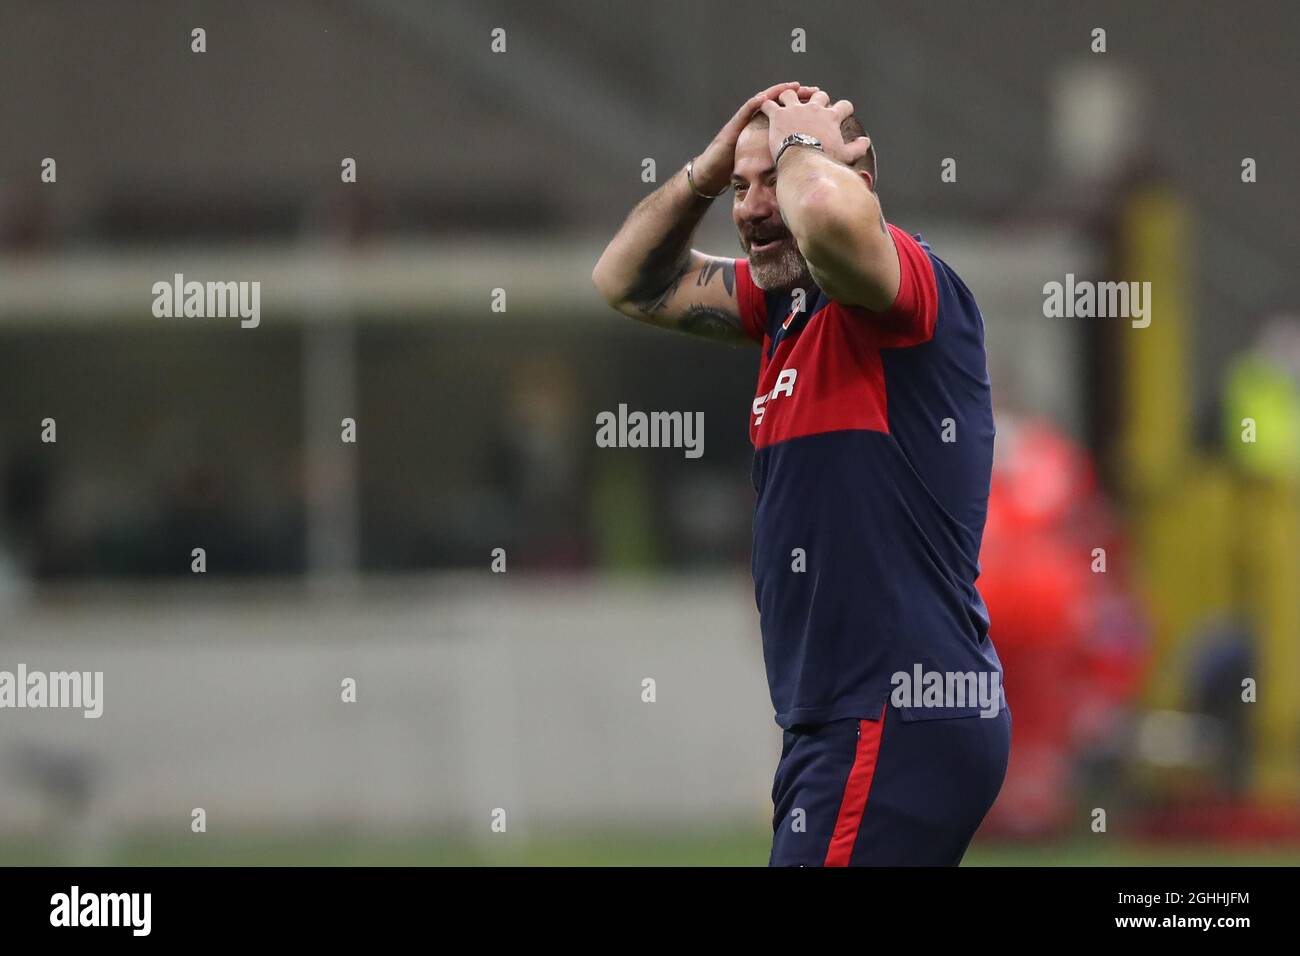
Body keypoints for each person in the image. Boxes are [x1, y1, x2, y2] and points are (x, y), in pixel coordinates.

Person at [593, 82, 1010, 865]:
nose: (753, 206)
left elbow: (824, 217)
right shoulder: (784, 308)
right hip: (846, 720)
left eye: (775, 180)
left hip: (893, 710)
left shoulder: (906, 288)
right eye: (742, 189)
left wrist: (808, 153)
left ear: (859, 177)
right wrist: (708, 172)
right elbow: (625, 281)